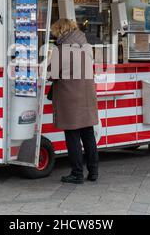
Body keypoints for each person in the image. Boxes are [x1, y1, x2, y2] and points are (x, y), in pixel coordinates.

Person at [49, 18, 99, 184]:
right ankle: (93, 171)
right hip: (87, 97)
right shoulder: (86, 46)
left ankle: (77, 173)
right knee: (88, 135)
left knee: (72, 136)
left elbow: (52, 74)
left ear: (61, 31)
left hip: (70, 99)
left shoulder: (62, 50)